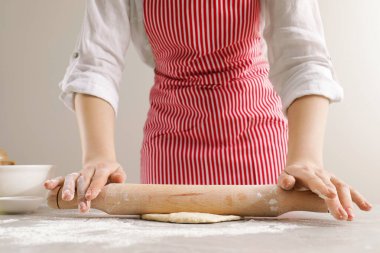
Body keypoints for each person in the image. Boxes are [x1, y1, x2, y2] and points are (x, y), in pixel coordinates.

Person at [44, 0, 372, 221]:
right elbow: (96, 65)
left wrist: (306, 159)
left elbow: (304, 60)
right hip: (171, 148)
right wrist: (99, 157)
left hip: (256, 140)